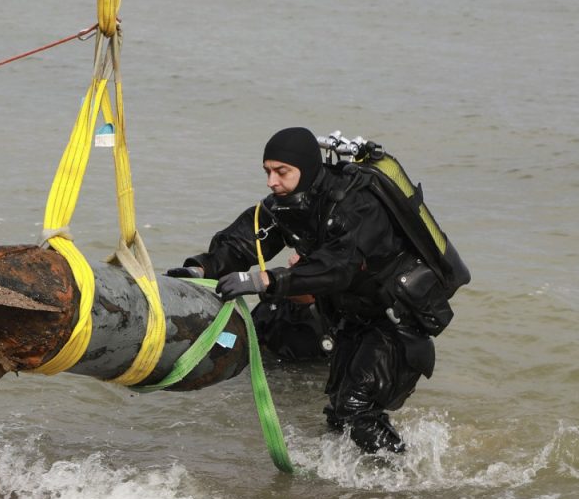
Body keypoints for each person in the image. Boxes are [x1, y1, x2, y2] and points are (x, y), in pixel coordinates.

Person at [167, 127, 439, 453]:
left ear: (306, 169)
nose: (271, 182)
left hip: (396, 320)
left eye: (281, 172)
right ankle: (352, 481)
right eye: (267, 172)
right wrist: (200, 268)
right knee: (338, 416)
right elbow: (241, 242)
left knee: (355, 410)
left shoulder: (358, 206)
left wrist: (266, 281)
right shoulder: (289, 205)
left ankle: (404, 474)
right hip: (351, 319)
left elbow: (337, 268)